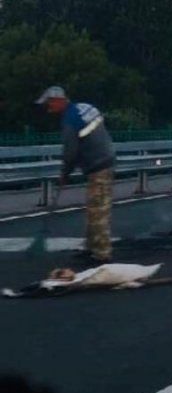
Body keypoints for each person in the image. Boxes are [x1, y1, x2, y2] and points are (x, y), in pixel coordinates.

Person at [36, 86, 116, 263]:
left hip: (98, 165)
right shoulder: (84, 108)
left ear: (58, 100)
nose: (48, 109)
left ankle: (102, 254)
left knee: (98, 211)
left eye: (49, 104)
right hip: (104, 159)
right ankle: (90, 247)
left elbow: (70, 152)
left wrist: (65, 173)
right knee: (93, 209)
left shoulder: (69, 120)